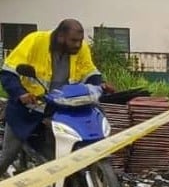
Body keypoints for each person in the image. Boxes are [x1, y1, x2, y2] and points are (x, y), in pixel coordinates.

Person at [0, 19, 111, 175]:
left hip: (63, 107)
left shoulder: (81, 49)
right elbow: (8, 72)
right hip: (30, 106)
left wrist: (100, 85)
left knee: (91, 128)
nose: (78, 45)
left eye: (80, 41)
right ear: (60, 36)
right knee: (9, 153)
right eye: (73, 40)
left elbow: (89, 71)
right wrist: (21, 94)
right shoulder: (35, 41)